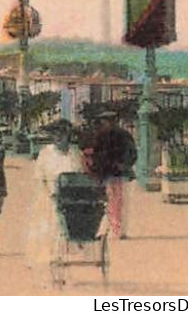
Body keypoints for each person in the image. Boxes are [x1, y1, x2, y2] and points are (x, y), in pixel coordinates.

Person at [31, 122, 86, 266]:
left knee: (71, 221)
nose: (59, 137)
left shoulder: (75, 153)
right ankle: (53, 255)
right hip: (50, 195)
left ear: (68, 136)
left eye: (62, 134)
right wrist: (50, 193)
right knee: (52, 224)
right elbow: (39, 177)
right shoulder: (45, 153)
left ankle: (69, 250)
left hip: (70, 194)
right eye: (56, 134)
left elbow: (80, 174)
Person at [85, 110, 137, 240]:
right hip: (113, 173)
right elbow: (132, 154)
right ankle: (116, 230)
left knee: (114, 202)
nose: (107, 124)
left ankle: (116, 230)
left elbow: (131, 154)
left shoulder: (103, 136)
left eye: (108, 121)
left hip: (112, 173)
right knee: (116, 202)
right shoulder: (120, 135)